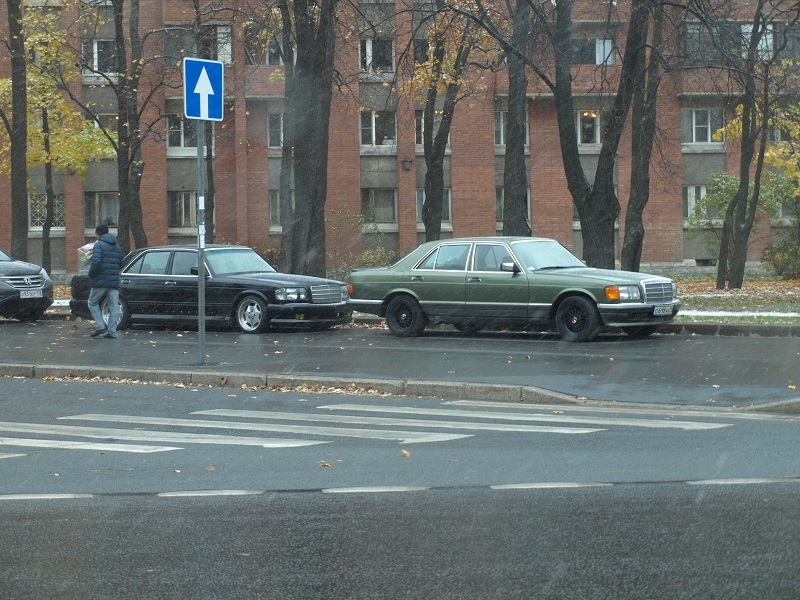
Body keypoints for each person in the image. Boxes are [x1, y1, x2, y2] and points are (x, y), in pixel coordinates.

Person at [87, 224, 123, 339]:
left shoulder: (98, 245)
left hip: (100, 280)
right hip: (113, 281)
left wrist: (91, 274)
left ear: (98, 234)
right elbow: (121, 263)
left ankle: (100, 325)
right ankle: (112, 331)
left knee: (92, 302)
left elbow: (96, 262)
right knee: (113, 306)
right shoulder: (116, 246)